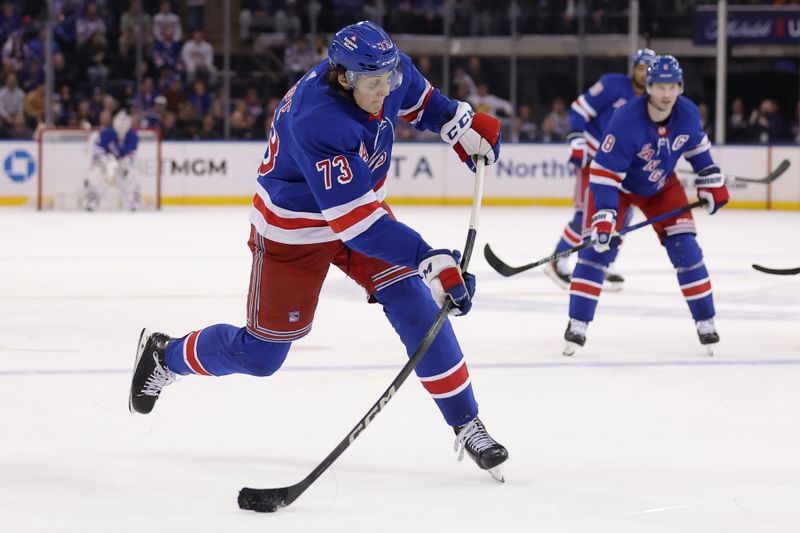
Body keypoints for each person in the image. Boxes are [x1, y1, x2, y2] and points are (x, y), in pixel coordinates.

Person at [128, 21, 508, 480]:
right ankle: (164, 355)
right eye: (373, 84)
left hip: (358, 208)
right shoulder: (317, 119)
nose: (384, 91)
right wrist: (429, 257)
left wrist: (459, 127)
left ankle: (467, 422)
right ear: (344, 77)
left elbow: (425, 104)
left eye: (388, 80)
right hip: (295, 229)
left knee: (415, 304)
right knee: (262, 355)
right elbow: (360, 227)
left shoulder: (384, 71)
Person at [562, 55, 729, 357]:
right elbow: (602, 175)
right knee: (597, 251)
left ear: (679, 88)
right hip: (621, 188)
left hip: (662, 187)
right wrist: (605, 217)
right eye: (660, 86)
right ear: (649, 87)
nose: (666, 94)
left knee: (686, 250)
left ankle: (706, 321)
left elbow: (698, 151)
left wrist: (711, 180)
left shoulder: (688, 113)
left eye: (672, 86)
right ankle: (578, 324)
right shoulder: (626, 120)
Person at [546, 48, 656, 290]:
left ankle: (603, 263)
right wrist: (576, 138)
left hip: (621, 167)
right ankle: (557, 261)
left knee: (624, 215)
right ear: (633, 69)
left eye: (649, 69)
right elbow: (580, 109)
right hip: (593, 160)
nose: (644, 74)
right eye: (640, 68)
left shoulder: (652, 102)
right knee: (587, 213)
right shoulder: (612, 85)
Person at [83, 110, 140, 211]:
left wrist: (126, 161)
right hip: (105, 160)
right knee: (97, 176)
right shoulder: (107, 132)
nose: (122, 126)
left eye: (124, 123)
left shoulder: (133, 135)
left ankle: (133, 201)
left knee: (133, 175)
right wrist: (106, 160)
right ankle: (91, 201)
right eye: (120, 123)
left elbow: (132, 153)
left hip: (122, 161)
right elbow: (97, 149)